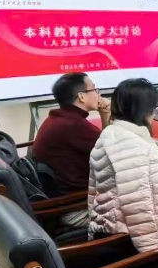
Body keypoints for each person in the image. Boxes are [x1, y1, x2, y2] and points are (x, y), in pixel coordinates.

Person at [88, 78, 158, 252]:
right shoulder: (132, 146)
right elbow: (139, 210)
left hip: (112, 228)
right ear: (143, 111)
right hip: (128, 241)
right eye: (154, 108)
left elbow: (96, 193)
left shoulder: (112, 134)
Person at [33, 72, 111, 211]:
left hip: (66, 197)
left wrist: (104, 114)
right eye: (94, 89)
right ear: (81, 96)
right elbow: (113, 151)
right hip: (76, 205)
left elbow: (105, 144)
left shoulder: (60, 118)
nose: (98, 94)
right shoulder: (74, 125)